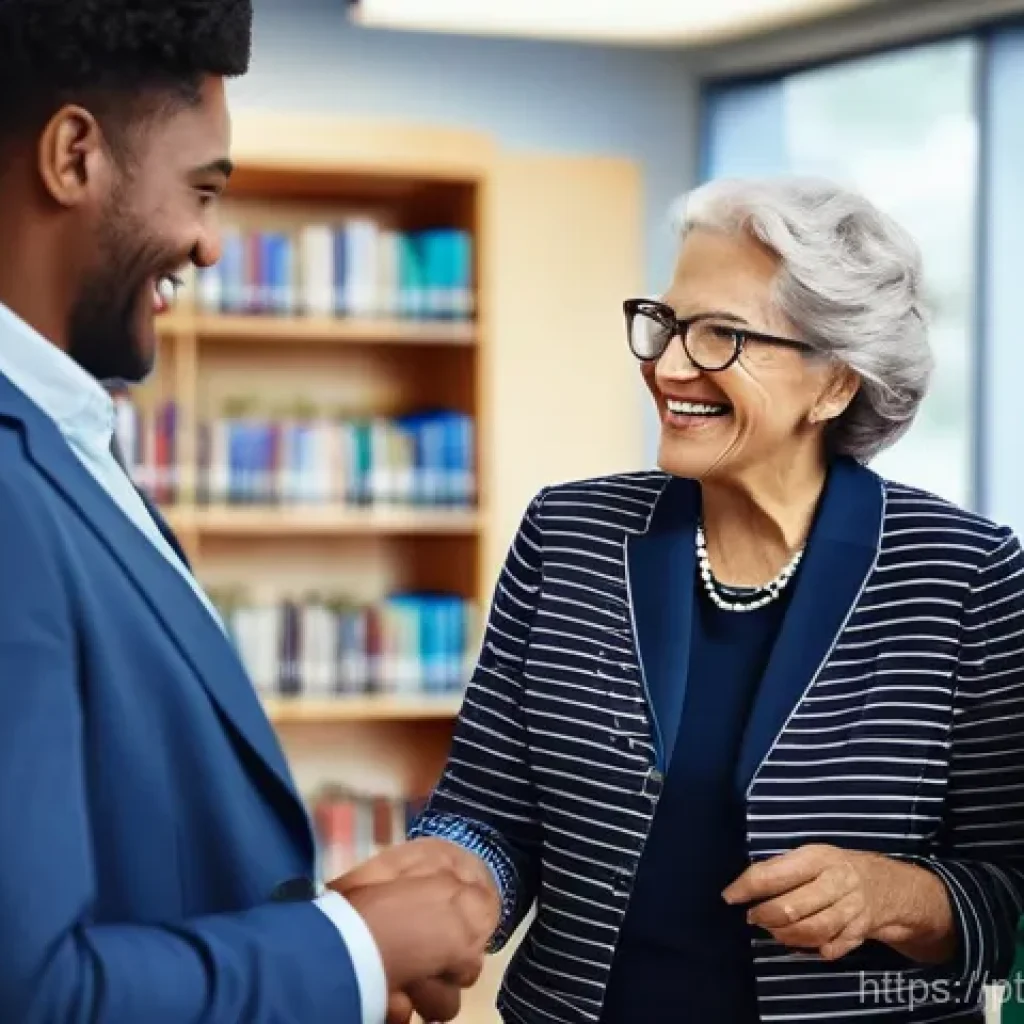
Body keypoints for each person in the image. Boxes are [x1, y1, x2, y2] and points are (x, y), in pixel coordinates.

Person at [344, 176, 1024, 1022]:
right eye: (665, 323)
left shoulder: (964, 572)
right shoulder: (568, 534)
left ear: (834, 384)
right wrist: (449, 880)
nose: (667, 365)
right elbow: (487, 809)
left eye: (721, 336)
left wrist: (896, 894)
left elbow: (1011, 891)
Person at [0, 2, 497, 1022]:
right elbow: (32, 992)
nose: (210, 244)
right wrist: (353, 948)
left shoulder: (66, 439)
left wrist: (317, 953)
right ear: (74, 156)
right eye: (201, 190)